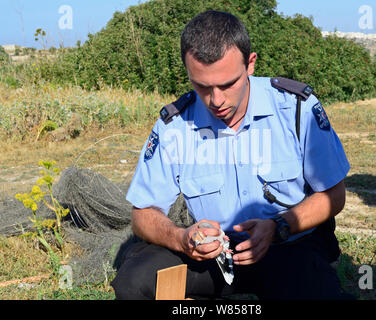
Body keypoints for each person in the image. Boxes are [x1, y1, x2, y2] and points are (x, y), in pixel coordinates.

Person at [111, 10, 352, 300]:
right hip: (210, 257)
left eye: (227, 84)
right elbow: (142, 214)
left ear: (250, 64)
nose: (217, 100)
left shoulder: (296, 109)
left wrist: (278, 226)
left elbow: (334, 196)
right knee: (135, 283)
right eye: (202, 86)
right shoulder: (174, 126)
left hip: (287, 247)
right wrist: (182, 238)